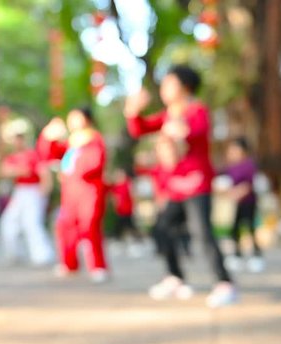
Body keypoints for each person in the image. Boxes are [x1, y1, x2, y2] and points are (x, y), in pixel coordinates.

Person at [124, 65, 236, 307]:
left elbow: (199, 129)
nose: (164, 88)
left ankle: (224, 283)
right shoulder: (167, 115)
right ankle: (175, 277)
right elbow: (140, 129)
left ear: (184, 86)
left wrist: (180, 130)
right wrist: (133, 111)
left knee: (202, 233)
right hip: (175, 188)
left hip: (197, 184)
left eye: (169, 83)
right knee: (161, 229)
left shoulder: (196, 110)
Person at [38, 107, 109, 283]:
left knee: (89, 227)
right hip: (70, 192)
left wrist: (73, 171)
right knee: (66, 226)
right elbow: (48, 154)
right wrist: (47, 137)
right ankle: (69, 264)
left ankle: (98, 267)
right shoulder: (71, 142)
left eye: (76, 117)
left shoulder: (93, 139)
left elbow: (95, 163)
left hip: (88, 190)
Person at [0, 120, 54, 266]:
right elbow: (4, 171)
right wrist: (19, 171)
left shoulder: (33, 155)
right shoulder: (12, 157)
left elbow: (44, 174)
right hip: (20, 192)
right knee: (8, 223)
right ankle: (15, 253)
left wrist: (43, 192)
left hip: (33, 191)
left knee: (32, 224)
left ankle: (42, 254)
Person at [222, 137, 265, 273]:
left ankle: (256, 256)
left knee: (250, 229)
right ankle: (237, 255)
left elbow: (249, 185)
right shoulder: (229, 167)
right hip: (236, 204)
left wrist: (237, 192)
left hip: (249, 203)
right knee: (235, 229)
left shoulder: (249, 165)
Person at [107, 168, 146, 258]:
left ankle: (137, 241)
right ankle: (119, 241)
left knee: (130, 226)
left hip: (128, 209)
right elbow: (113, 196)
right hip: (120, 210)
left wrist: (136, 206)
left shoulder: (128, 183)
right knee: (121, 226)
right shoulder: (116, 186)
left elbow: (133, 194)